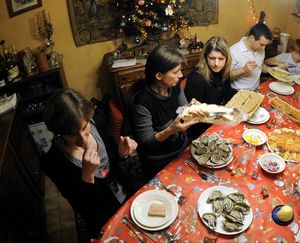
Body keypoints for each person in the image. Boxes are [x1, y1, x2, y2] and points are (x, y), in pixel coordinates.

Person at [41, 89, 138, 237]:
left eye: (85, 127)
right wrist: (87, 177)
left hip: (126, 193)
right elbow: (83, 208)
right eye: (73, 134)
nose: (83, 139)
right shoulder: (53, 162)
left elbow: (114, 162)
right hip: (102, 216)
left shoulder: (98, 122)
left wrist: (122, 154)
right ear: (58, 132)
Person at [132, 45, 197, 180]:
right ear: (159, 75)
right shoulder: (142, 101)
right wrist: (171, 129)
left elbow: (183, 109)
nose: (181, 75)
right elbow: (146, 142)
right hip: (158, 159)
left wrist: (191, 108)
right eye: (176, 72)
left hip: (181, 147)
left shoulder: (175, 86)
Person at [184, 36, 236, 139]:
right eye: (212, 58)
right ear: (205, 58)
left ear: (227, 59)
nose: (216, 64)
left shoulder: (223, 71)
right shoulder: (196, 79)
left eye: (221, 59)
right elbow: (195, 115)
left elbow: (228, 95)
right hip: (201, 130)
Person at [230, 23, 272, 90]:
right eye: (262, 44)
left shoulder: (260, 48)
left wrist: (273, 70)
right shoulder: (233, 51)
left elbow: (261, 65)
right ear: (251, 38)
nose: (264, 48)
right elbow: (227, 76)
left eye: (265, 45)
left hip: (257, 89)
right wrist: (243, 70)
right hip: (239, 92)